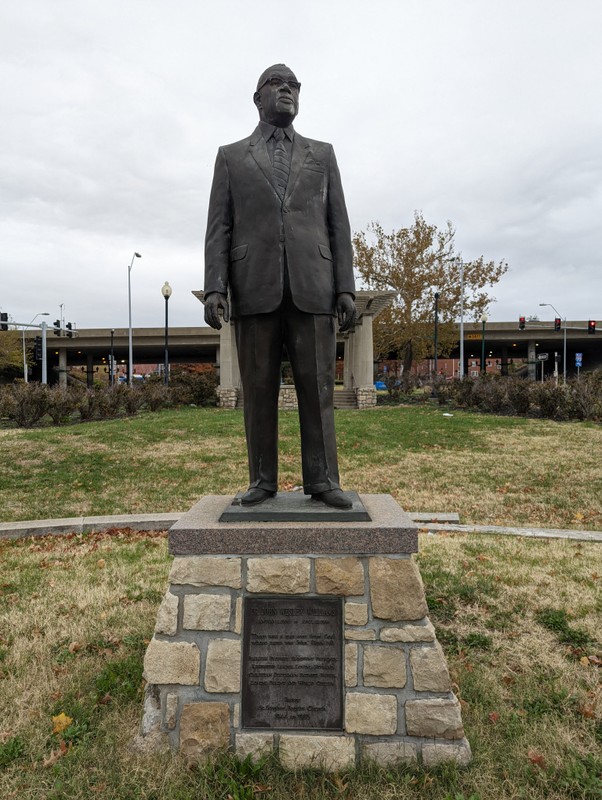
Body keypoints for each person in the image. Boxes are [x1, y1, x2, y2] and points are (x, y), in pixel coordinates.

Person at [204, 64, 356, 508]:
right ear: (258, 98)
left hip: (314, 285)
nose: (287, 90)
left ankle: (324, 480)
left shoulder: (322, 155)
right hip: (253, 288)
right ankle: (262, 481)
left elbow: (338, 225)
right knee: (258, 391)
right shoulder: (231, 157)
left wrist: (345, 286)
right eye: (277, 83)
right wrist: (215, 287)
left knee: (319, 389)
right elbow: (220, 227)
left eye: (294, 86)